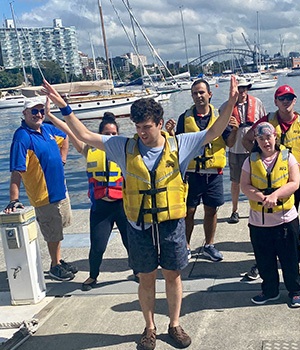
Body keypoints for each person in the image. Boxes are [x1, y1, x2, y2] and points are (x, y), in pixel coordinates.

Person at [43, 77, 239, 350]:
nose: (142, 133)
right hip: (139, 226)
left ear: (160, 124)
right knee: (146, 278)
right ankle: (149, 327)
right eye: (138, 127)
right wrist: (65, 107)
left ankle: (174, 324)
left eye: (147, 127)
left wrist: (230, 103)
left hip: (171, 225)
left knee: (173, 275)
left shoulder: (180, 144)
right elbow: (86, 135)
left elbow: (215, 131)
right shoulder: (123, 147)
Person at [44, 108, 134, 290]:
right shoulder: (88, 149)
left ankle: (139, 272)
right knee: (97, 247)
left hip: (123, 206)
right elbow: (70, 130)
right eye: (106, 134)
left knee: (131, 244)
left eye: (114, 134)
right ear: (100, 135)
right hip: (101, 209)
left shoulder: (125, 150)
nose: (110, 137)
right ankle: (93, 277)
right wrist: (51, 117)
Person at [242, 84, 300, 279]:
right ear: (276, 101)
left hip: (291, 179)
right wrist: (256, 157)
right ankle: (263, 262)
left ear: (294, 100)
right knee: (264, 222)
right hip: (265, 180)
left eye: (289, 98)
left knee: (289, 222)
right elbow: (247, 140)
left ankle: (291, 261)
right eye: (282, 98)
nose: (286, 102)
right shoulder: (267, 122)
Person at [4, 96, 77, 282]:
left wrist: (63, 157)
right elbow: (16, 171)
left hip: (60, 189)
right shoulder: (22, 137)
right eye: (34, 111)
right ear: (25, 113)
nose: (38, 114)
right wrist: (14, 199)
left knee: (59, 229)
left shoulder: (47, 129)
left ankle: (58, 260)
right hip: (44, 194)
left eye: (41, 111)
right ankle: (54, 266)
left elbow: (65, 136)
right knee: (52, 231)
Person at [240, 122, 300, 307]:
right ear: (256, 140)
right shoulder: (250, 161)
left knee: (290, 258)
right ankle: (270, 290)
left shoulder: (288, 157)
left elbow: (294, 182)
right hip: (259, 222)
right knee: (264, 260)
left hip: (285, 220)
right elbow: (245, 185)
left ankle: (295, 291)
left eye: (268, 137)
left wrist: (275, 195)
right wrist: (260, 197)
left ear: (275, 137)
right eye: (261, 138)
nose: (266, 142)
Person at [174, 79, 237, 262]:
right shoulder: (184, 118)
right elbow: (178, 145)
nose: (198, 96)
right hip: (191, 173)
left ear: (210, 94)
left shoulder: (220, 116)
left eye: (202, 92)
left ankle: (209, 244)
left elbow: (230, 143)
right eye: (195, 93)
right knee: (188, 212)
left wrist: (234, 130)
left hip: (213, 173)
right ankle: (185, 246)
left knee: (211, 210)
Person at [219, 77, 266, 224]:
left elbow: (264, 123)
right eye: (239, 88)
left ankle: (260, 205)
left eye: (245, 88)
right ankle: (235, 210)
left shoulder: (257, 103)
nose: (242, 91)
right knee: (235, 181)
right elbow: (221, 130)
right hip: (235, 149)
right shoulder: (225, 107)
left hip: (253, 149)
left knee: (259, 179)